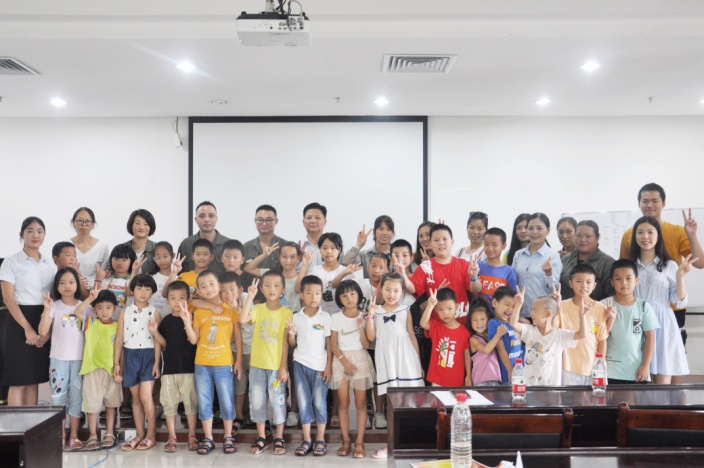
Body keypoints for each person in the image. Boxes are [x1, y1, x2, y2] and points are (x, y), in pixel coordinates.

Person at [619, 183, 704, 346]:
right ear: (639, 204)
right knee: (638, 355)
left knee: (668, 353)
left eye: (655, 201)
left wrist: (692, 235)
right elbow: (622, 272)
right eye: (645, 201)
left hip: (671, 308)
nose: (649, 205)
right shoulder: (629, 234)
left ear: (664, 203)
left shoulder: (677, 231)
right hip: (636, 311)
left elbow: (700, 263)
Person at [627, 216, 695, 384]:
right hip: (635, 321)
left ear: (658, 236)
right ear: (635, 236)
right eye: (640, 232)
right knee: (636, 380)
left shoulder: (669, 265)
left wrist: (680, 278)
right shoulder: (629, 266)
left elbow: (679, 302)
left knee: (662, 382)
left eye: (650, 232)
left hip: (662, 323)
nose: (645, 236)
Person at [364, 272, 424, 460]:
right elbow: (371, 337)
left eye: (396, 290)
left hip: (406, 359)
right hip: (387, 360)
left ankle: (412, 443)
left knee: (410, 402)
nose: (391, 294)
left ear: (402, 292)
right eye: (388, 289)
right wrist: (370, 316)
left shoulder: (405, 309)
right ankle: (392, 444)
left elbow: (411, 335)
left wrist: (418, 362)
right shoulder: (376, 311)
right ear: (381, 289)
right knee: (392, 404)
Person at [184, 271, 242, 455]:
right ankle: (208, 438)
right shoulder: (199, 311)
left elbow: (238, 337)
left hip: (224, 363)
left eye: (211, 284)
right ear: (199, 291)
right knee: (204, 400)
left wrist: (239, 360)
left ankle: (228, 436)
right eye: (203, 286)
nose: (208, 288)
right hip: (202, 364)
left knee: (226, 399)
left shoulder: (231, 308)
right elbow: (194, 340)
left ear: (219, 286)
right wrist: (187, 321)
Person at [0, 217, 56, 406]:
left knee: (33, 378)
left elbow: (53, 297)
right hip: (19, 320)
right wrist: (27, 328)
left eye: (39, 231)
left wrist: (47, 331)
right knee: (18, 379)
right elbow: (8, 298)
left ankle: (32, 422)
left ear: (44, 235)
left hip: (43, 317)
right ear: (21, 234)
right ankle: (15, 423)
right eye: (30, 231)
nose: (35, 235)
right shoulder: (11, 262)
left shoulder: (50, 263)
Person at [240, 272, 293, 455]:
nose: (272, 289)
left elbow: (285, 343)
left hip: (276, 367)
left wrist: (283, 367)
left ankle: (279, 436)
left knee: (278, 401)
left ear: (283, 289)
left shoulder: (286, 312)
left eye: (276, 285)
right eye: (268, 285)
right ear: (262, 289)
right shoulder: (258, 308)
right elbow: (242, 319)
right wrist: (250, 297)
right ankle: (262, 436)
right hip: (257, 365)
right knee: (257, 401)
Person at [148, 281, 199, 452]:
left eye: (182, 298)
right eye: (173, 298)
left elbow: (195, 340)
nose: (177, 302)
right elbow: (164, 343)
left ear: (188, 299)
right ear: (167, 300)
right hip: (169, 370)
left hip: (189, 369)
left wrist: (187, 321)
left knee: (191, 404)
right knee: (169, 405)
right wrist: (155, 332)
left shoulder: (193, 317)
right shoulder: (166, 321)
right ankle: (172, 436)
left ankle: (192, 435)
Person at [37, 267, 85, 450]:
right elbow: (43, 332)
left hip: (79, 359)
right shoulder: (54, 306)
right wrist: (47, 308)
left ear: (77, 284)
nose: (67, 286)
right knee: (58, 397)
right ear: (56, 286)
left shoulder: (84, 306)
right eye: (62, 282)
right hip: (58, 359)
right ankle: (60, 434)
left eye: (71, 282)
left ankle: (74, 434)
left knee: (76, 397)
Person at [114, 274, 161, 451]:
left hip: (148, 356)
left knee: (146, 396)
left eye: (147, 289)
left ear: (152, 292)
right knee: (135, 398)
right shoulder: (124, 312)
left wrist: (156, 363)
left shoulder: (155, 312)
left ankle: (151, 433)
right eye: (139, 288)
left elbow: (157, 340)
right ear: (132, 290)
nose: (143, 292)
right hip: (130, 355)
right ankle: (140, 433)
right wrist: (117, 363)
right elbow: (119, 338)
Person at [287, 275, 332, 457]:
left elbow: (329, 344)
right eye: (309, 293)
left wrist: (329, 367)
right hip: (300, 363)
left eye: (317, 293)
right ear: (302, 294)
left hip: (320, 365)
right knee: (303, 401)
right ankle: (306, 440)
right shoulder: (295, 317)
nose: (314, 297)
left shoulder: (325, 317)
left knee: (319, 402)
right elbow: (292, 344)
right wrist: (291, 334)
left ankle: (320, 439)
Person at [329, 280, 374, 459]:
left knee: (361, 403)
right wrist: (345, 363)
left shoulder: (364, 315)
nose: (349, 298)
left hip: (360, 360)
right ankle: (346, 440)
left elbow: (366, 344)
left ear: (359, 295)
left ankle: (360, 442)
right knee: (343, 403)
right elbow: (333, 345)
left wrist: (360, 326)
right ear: (339, 299)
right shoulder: (335, 318)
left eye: (353, 293)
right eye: (344, 295)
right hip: (341, 361)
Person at [510, 288, 586, 387]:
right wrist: (518, 305)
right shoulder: (529, 331)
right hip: (530, 388)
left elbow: (582, 334)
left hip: (552, 390)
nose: (531, 313)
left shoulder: (560, 335)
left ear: (548, 313)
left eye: (535, 310)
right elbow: (513, 323)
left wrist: (582, 317)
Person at [400, 224, 475, 325]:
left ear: (452, 242)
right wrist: (436, 295)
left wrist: (475, 277)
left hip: (462, 325)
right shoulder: (423, 268)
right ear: (430, 244)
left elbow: (476, 290)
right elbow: (422, 305)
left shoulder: (464, 265)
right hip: (436, 328)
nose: (441, 243)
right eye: (436, 240)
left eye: (445, 239)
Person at [74, 289, 120, 451]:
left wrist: (119, 369)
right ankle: (93, 434)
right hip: (92, 369)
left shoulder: (118, 326)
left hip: (111, 371)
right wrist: (90, 299)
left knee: (111, 404)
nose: (104, 311)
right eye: (99, 308)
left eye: (108, 307)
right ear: (94, 310)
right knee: (92, 404)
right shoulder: (91, 323)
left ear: (115, 308)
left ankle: (109, 432)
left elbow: (121, 350)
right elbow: (77, 312)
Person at [602, 259, 659, 384]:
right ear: (611, 282)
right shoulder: (603, 305)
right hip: (609, 371)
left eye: (628, 278)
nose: (624, 283)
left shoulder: (644, 307)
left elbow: (650, 338)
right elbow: (596, 336)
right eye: (618, 279)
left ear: (636, 281)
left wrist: (645, 365)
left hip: (636, 372)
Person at [553, 264, 610, 385]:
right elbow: (553, 330)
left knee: (596, 396)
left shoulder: (600, 308)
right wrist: (556, 305)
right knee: (569, 396)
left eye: (588, 282)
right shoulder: (562, 306)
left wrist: (601, 362)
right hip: (568, 366)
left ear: (594, 285)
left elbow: (602, 339)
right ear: (570, 283)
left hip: (592, 365)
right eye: (579, 281)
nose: (584, 285)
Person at [512, 213, 562, 320]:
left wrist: (549, 273)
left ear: (548, 230)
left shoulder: (553, 256)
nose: (534, 232)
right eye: (530, 228)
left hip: (541, 314)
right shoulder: (518, 254)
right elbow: (513, 282)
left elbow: (554, 288)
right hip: (519, 312)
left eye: (539, 228)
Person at [419, 288, 471, 387]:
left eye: (449, 308)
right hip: (437, 378)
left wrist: (468, 375)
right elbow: (423, 323)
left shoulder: (464, 332)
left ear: (456, 307)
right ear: (435, 310)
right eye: (440, 309)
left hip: (456, 379)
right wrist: (430, 305)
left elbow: (466, 355)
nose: (445, 313)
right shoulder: (436, 326)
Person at [297, 232, 352, 315]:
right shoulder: (314, 271)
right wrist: (304, 266)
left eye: (333, 248)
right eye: (324, 248)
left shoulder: (346, 271)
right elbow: (299, 289)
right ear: (320, 249)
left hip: (340, 316)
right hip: (318, 316)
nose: (329, 251)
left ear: (340, 249)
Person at [560, 220, 615, 301]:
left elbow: (612, 295)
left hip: (596, 308)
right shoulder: (565, 260)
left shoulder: (607, 263)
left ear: (597, 238)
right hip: (566, 308)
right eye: (578, 236)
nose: (583, 240)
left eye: (588, 236)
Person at [470, 228, 518, 310]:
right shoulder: (476, 266)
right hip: (478, 314)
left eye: (495, 245)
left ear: (503, 246)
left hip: (499, 316)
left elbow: (512, 299)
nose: (490, 248)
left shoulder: (509, 272)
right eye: (486, 244)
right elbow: (473, 290)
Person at [178, 201, 230, 273]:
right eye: (202, 216)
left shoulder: (228, 245)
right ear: (196, 219)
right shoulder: (186, 244)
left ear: (216, 219)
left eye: (211, 216)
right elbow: (179, 274)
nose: (207, 220)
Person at [488, 286, 522, 384]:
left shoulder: (515, 324)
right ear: (495, 303)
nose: (510, 309)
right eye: (507, 304)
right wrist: (510, 369)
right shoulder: (494, 323)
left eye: (514, 307)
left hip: (521, 370)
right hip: (507, 372)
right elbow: (500, 348)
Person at [468, 299, 506, 386]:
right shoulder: (473, 339)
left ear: (488, 319)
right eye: (475, 320)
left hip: (496, 379)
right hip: (480, 381)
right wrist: (498, 335)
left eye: (482, 319)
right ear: (470, 321)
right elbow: (486, 350)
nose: (479, 323)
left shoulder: (491, 335)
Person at [69, 207, 110, 288]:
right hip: (72, 288)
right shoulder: (66, 245)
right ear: (74, 223)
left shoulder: (102, 246)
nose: (84, 224)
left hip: (96, 288)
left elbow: (106, 271)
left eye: (88, 221)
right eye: (80, 220)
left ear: (92, 224)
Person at [244, 204, 288, 271]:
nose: (264, 223)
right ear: (255, 221)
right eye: (260, 220)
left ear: (276, 221)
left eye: (269, 220)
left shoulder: (285, 245)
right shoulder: (246, 247)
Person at [101, 244, 136, 318]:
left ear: (132, 261)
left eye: (124, 259)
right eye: (116, 258)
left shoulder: (135, 280)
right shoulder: (105, 278)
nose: (119, 262)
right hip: (106, 320)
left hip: (127, 320)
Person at [123, 209, 157, 275]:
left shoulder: (157, 248)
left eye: (146, 224)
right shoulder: (122, 248)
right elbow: (109, 268)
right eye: (138, 223)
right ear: (131, 225)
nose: (142, 227)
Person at [300, 202, 328, 268]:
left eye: (317, 218)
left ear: (325, 222)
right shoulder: (298, 248)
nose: (313, 221)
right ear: (303, 222)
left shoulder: (334, 247)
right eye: (309, 218)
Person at [150, 241, 174, 314]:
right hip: (151, 318)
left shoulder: (178, 278)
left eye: (165, 256)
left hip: (169, 318)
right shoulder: (151, 278)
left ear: (173, 256)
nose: (162, 260)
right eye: (158, 257)